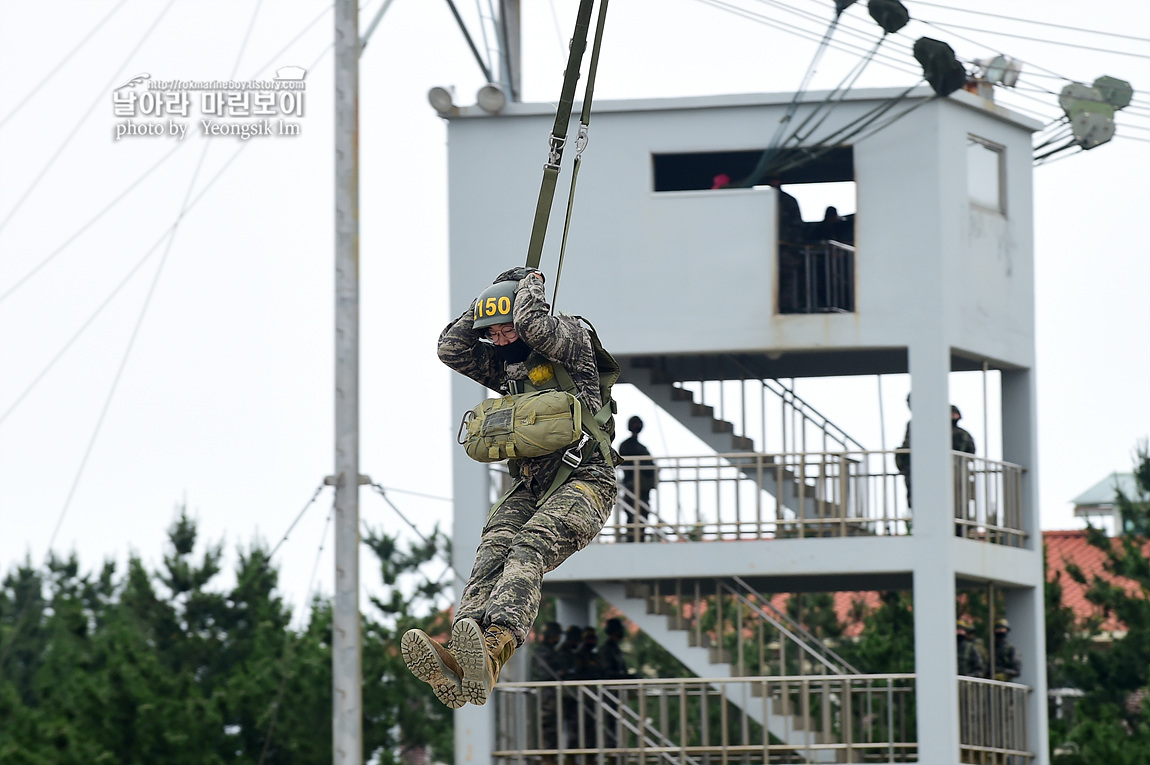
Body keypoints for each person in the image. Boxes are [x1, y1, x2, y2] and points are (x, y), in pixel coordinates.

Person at [401, 267, 618, 709]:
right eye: (492, 333)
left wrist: (528, 283)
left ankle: (498, 640)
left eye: (505, 329)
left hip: (586, 480)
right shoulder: (507, 368)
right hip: (532, 485)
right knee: (493, 549)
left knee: (529, 547)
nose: (498, 339)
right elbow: (451, 347)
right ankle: (465, 652)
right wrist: (485, 302)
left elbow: (536, 325)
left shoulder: (571, 342)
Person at [617, 416, 657, 542]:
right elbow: (626, 465)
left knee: (643, 514)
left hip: (643, 488)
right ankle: (632, 539)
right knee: (632, 515)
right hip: (632, 486)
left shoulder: (639, 446)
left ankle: (640, 538)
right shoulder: (626, 445)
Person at [532, 622, 565, 763]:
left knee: (555, 730)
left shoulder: (552, 651)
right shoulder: (541, 652)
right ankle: (547, 759)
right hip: (546, 698)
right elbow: (543, 674)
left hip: (553, 696)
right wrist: (560, 673)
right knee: (548, 730)